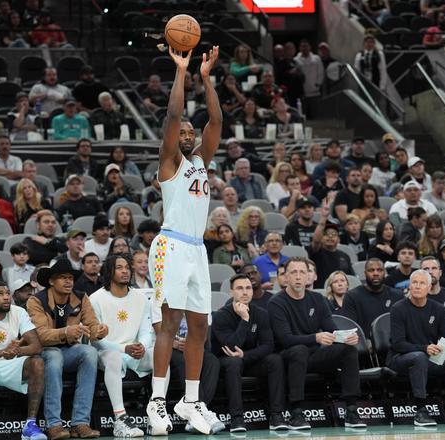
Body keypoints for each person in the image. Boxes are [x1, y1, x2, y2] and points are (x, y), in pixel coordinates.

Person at [146, 45, 222, 436]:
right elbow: (174, 115)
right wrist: (181, 70)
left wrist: (206, 78)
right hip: (171, 246)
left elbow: (216, 120)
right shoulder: (169, 161)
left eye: (193, 133)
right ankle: (157, 400)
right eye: (185, 133)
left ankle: (190, 401)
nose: (189, 135)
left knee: (199, 328)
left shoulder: (200, 163)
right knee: (169, 323)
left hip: (196, 249)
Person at [268, 257, 367, 429]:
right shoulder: (276, 302)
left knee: (348, 350)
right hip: (287, 357)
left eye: (302, 272)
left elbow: (331, 329)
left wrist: (345, 338)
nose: (298, 276)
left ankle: (351, 410)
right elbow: (285, 339)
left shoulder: (318, 299)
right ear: (286, 277)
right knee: (299, 350)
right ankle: (296, 412)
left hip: (314, 356)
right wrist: (316, 338)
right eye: (293, 272)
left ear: (309, 276)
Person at [26, 259, 106, 440]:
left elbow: (92, 325)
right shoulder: (36, 300)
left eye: (70, 277)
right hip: (43, 352)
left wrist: (99, 331)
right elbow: (40, 335)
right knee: (54, 356)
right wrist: (65, 332)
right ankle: (53, 424)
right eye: (63, 277)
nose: (68, 281)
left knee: (89, 352)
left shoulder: (81, 297)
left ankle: (80, 423)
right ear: (51, 281)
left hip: (68, 351)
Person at [389, 270, 445, 426]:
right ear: (409, 286)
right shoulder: (398, 308)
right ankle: (421, 410)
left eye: (422, 283)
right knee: (419, 357)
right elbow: (398, 343)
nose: (417, 286)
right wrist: (424, 348)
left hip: (429, 357)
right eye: (414, 282)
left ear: (429, 288)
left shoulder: (438, 309)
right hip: (401, 358)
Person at [0, 281, 47, 440]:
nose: (6, 297)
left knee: (37, 362)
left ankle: (30, 425)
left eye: (7, 293)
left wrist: (17, 351)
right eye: (0, 294)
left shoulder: (19, 312)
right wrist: (2, 352)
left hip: (12, 363)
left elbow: (37, 346)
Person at [211, 274, 286, 432]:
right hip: (225, 362)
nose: (245, 292)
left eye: (248, 288)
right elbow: (232, 347)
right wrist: (245, 319)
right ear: (231, 292)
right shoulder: (221, 315)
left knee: (274, 360)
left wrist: (245, 355)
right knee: (234, 362)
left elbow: (268, 345)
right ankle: (237, 418)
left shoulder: (261, 313)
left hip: (248, 360)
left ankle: (276, 415)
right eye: (240, 288)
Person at [90, 255, 154, 437]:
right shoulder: (95, 299)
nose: (125, 271)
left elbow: (147, 330)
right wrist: (123, 349)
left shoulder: (141, 298)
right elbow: (96, 340)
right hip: (106, 353)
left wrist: (142, 346)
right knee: (113, 357)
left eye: (127, 267)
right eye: (119, 267)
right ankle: (120, 419)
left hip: (134, 352)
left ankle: (157, 412)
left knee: (160, 355)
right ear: (109, 271)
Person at [342, 258, 404, 337]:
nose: (375, 273)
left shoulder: (398, 295)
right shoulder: (351, 296)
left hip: (394, 342)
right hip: (364, 342)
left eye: (379, 270)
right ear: (365, 273)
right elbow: (349, 329)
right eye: (371, 270)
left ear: (384, 273)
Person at [309, 203, 354, 288]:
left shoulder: (345, 256)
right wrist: (323, 217)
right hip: (322, 292)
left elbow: (351, 278)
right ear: (321, 237)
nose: (330, 236)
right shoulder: (317, 252)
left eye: (333, 234)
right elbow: (316, 241)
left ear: (339, 239)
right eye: (326, 234)